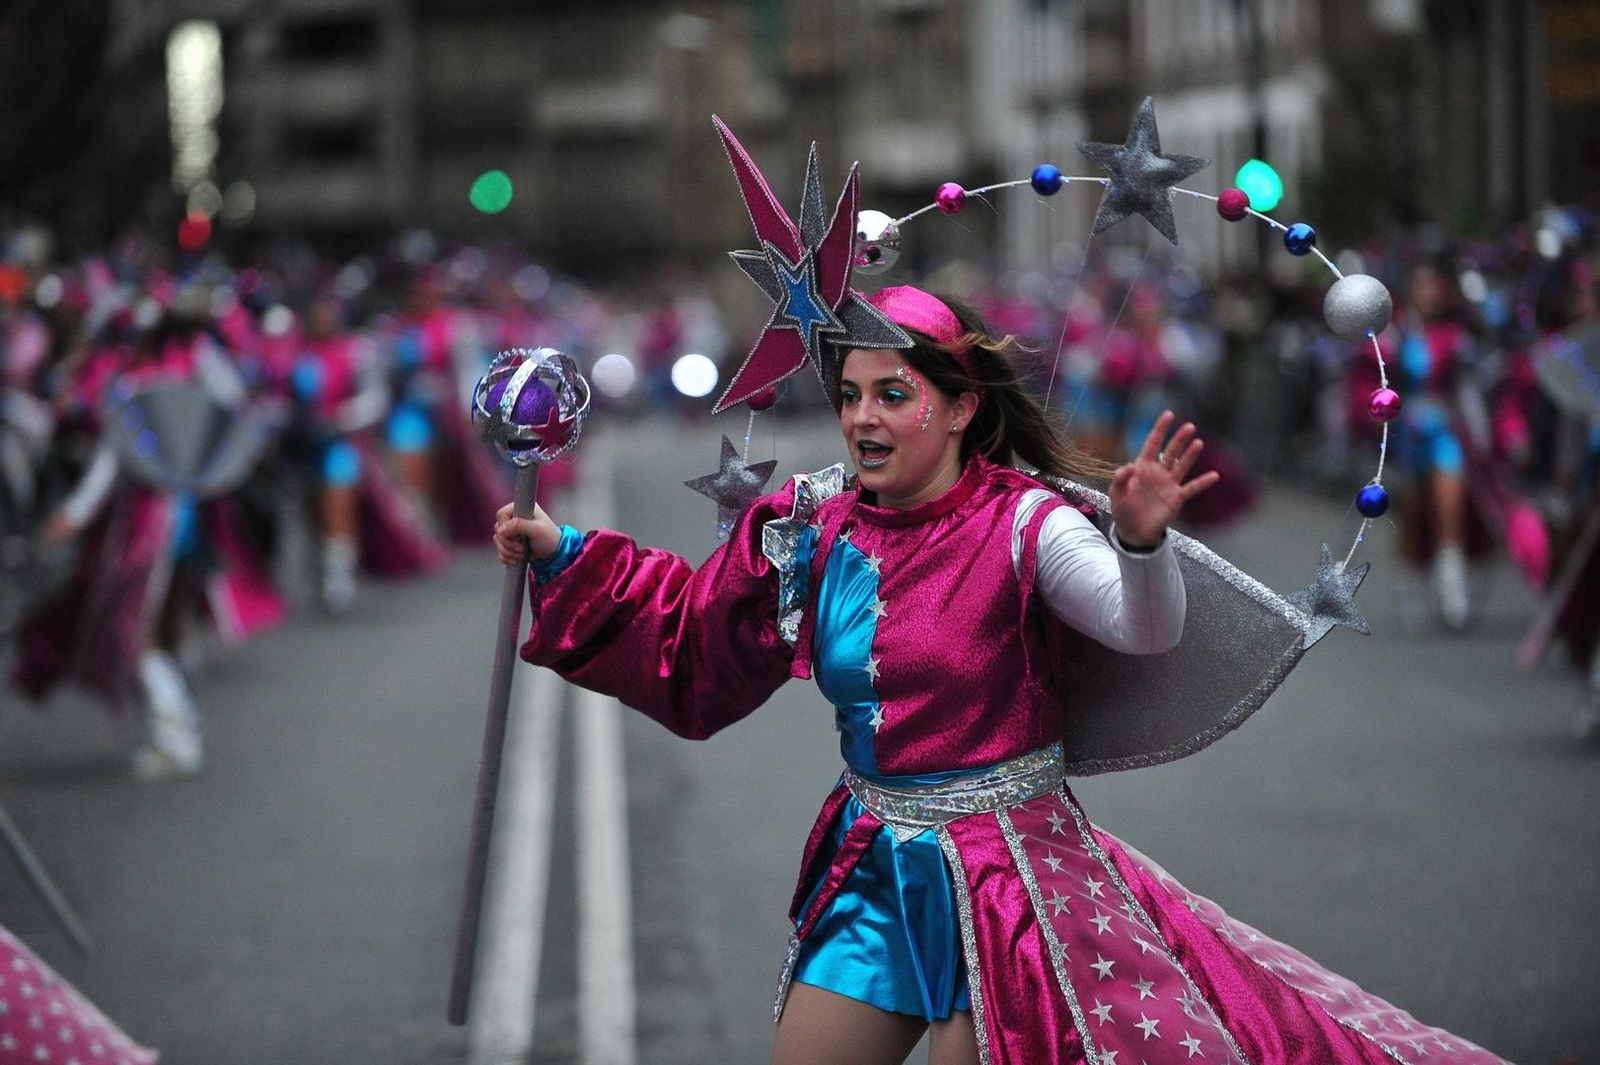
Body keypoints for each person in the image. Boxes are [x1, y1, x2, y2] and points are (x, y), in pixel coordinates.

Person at [494, 287, 1508, 1064]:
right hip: (873, 870)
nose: (862, 419)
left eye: (893, 395)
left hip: (1009, 882)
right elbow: (694, 627)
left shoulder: (1025, 522)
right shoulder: (811, 526)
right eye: (849, 396)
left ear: (962, 409)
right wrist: (561, 549)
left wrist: (1143, 547)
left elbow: (1137, 629)